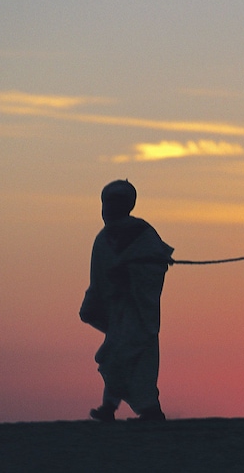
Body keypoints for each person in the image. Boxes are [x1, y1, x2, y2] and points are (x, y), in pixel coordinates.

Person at [79, 180, 174, 421]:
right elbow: (97, 277)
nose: (107, 210)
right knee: (116, 357)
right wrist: (94, 301)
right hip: (117, 311)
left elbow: (155, 267)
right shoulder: (103, 239)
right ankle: (113, 407)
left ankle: (144, 409)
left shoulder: (141, 233)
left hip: (137, 312)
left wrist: (131, 273)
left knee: (126, 358)